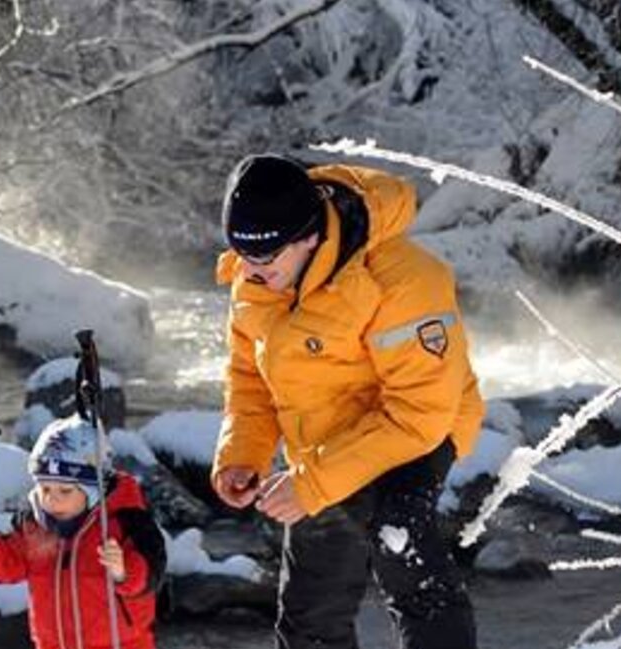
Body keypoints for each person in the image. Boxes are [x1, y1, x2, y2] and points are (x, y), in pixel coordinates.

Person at [208, 154, 486, 649]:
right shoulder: (255, 279)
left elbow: (418, 413)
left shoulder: (403, 281)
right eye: (242, 255)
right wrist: (242, 454)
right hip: (326, 439)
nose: (250, 271)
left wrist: (313, 485)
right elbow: (249, 376)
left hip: (416, 432)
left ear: (309, 237)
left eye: (265, 259)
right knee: (310, 611)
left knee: (397, 536)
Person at [0, 417, 166, 649]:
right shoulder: (37, 527)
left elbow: (152, 570)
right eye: (45, 488)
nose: (52, 499)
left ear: (93, 489)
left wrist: (124, 571)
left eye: (65, 490)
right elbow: (10, 560)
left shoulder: (124, 519)